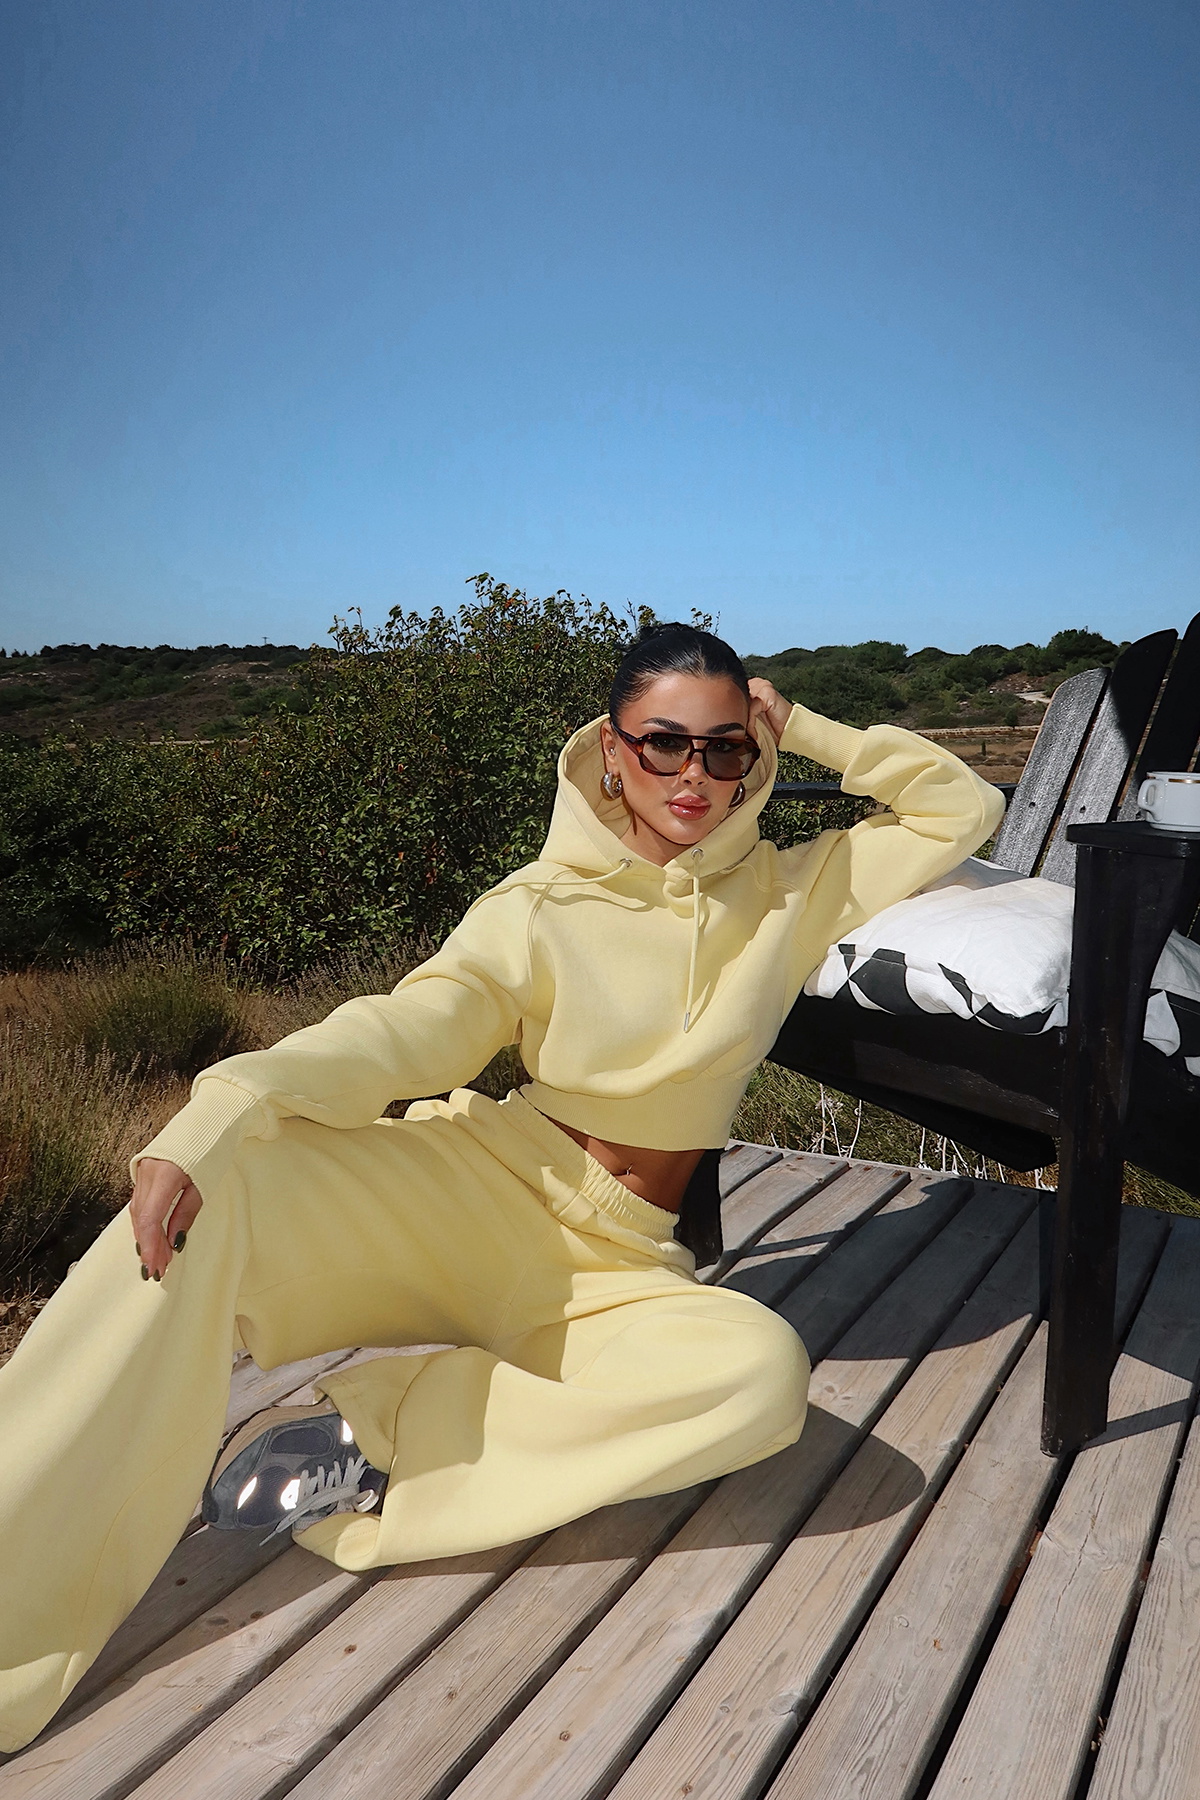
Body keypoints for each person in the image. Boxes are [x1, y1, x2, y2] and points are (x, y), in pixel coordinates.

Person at [0, 622, 1003, 1751]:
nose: (694, 774)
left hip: (617, 1261)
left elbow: (959, 809)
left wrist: (803, 722)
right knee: (205, 1209)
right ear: (611, 750)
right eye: (664, 743)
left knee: (758, 1381)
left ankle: (374, 1435)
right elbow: (410, 1027)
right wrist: (225, 1105)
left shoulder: (793, 888)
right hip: (481, 1191)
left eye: (725, 748)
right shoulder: (536, 905)